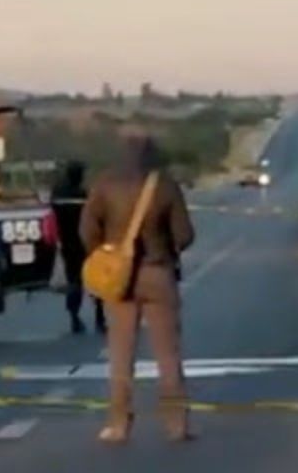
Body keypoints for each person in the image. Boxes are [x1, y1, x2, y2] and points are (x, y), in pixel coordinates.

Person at [80, 132, 195, 444]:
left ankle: (118, 424)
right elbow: (185, 235)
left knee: (120, 354)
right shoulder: (165, 185)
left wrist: (108, 254)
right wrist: (166, 248)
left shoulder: (105, 183)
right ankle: (176, 425)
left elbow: (87, 229)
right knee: (168, 355)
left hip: (120, 278)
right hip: (158, 273)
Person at [52, 160, 106, 335]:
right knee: (96, 282)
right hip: (87, 243)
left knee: (74, 281)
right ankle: (100, 318)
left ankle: (74, 318)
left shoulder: (58, 195)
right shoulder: (84, 196)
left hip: (67, 243)